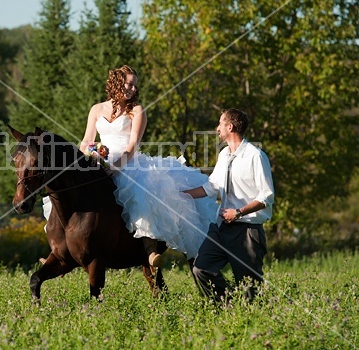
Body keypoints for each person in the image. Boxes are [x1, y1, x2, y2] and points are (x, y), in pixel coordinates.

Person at [77, 65, 217, 267]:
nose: (133, 89)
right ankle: (64, 248)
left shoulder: (137, 111)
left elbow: (132, 146)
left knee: (140, 192)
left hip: (127, 162)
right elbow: (85, 141)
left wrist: (114, 168)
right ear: (117, 82)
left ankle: (150, 249)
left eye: (135, 86)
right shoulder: (97, 109)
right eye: (130, 84)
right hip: (99, 160)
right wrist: (90, 154)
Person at [182, 109, 275, 303]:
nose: (217, 129)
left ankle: (251, 320)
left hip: (248, 231)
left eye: (220, 124)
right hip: (222, 228)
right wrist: (183, 195)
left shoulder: (255, 156)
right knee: (201, 268)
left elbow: (267, 196)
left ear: (230, 127)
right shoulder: (224, 154)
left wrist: (239, 212)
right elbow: (212, 187)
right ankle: (227, 308)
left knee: (250, 290)